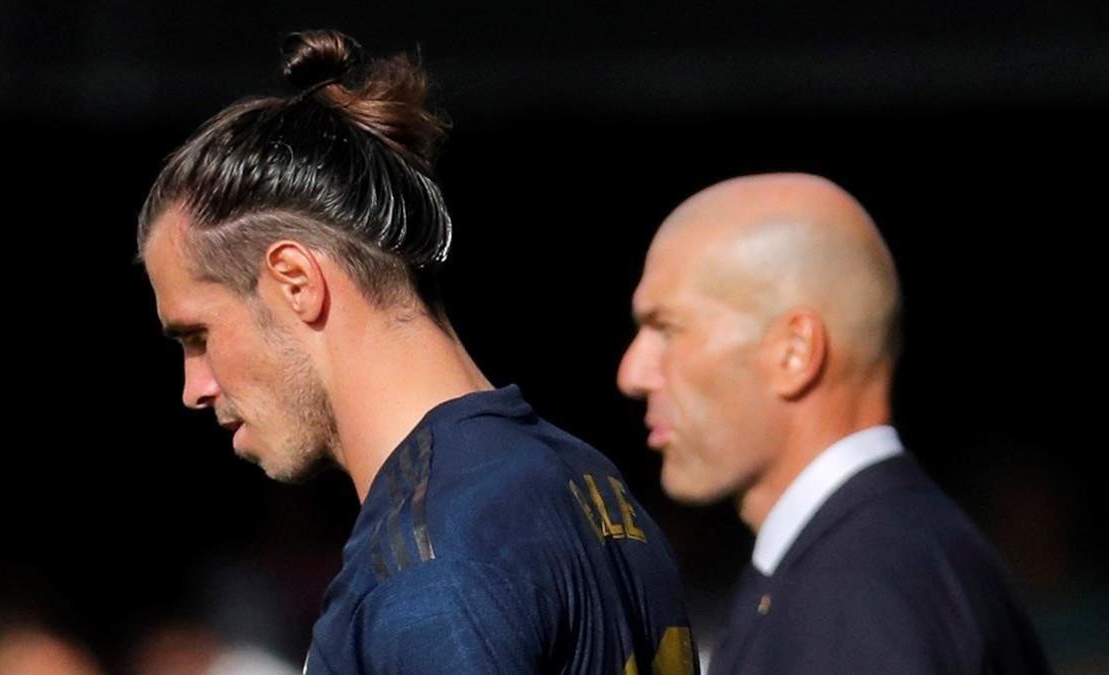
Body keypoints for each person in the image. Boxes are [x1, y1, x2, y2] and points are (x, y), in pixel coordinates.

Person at [139, 29, 695, 674]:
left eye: (198, 336)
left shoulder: (432, 562)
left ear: (296, 282)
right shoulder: (583, 479)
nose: (194, 387)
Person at [617, 173, 1050, 674]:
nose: (632, 373)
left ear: (795, 351)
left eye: (667, 328)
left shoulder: (865, 594)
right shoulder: (870, 563)